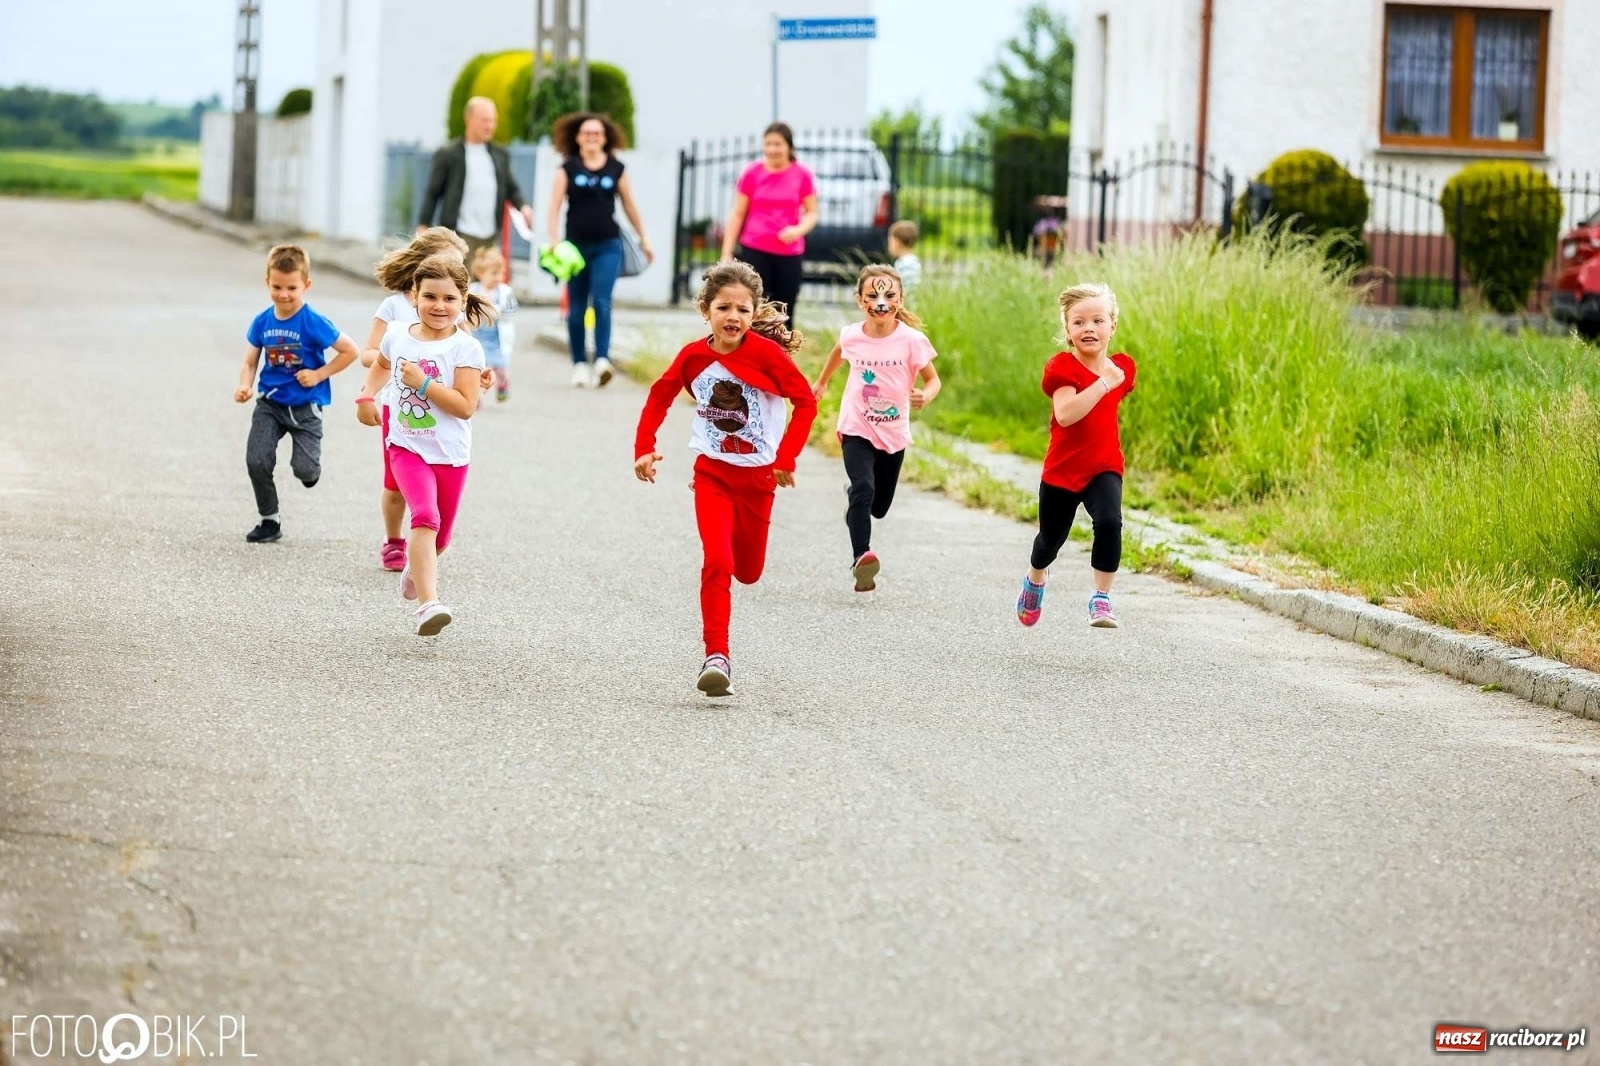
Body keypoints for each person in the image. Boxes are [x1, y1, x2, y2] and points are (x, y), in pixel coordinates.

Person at [633, 261, 817, 697]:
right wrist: (643, 446)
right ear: (705, 310)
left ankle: (722, 637)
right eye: (723, 307)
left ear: (754, 315)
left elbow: (805, 402)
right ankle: (717, 656)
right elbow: (660, 395)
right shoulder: (694, 356)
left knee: (748, 572)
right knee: (717, 562)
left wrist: (785, 457)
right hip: (712, 474)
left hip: (758, 480)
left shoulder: (766, 356)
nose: (733, 316)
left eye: (743, 309)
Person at [355, 254, 491, 636]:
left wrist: (423, 385)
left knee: (440, 538)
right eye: (430, 296)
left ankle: (417, 570)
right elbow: (381, 364)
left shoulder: (466, 349)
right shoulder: (398, 333)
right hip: (405, 447)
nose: (439, 306)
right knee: (425, 517)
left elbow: (465, 407)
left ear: (463, 300)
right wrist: (366, 396)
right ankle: (428, 605)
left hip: (450, 455)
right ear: (414, 296)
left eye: (449, 299)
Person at [810, 265, 941, 592]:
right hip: (856, 425)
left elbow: (933, 379)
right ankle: (861, 559)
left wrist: (926, 395)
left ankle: (855, 501)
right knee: (864, 488)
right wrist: (822, 382)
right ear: (859, 299)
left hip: (894, 431)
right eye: (872, 295)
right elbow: (838, 351)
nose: (881, 302)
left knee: (878, 507)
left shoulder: (912, 341)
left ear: (900, 298)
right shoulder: (852, 334)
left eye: (889, 295)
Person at [1016, 283, 1136, 631]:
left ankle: (1101, 598)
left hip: (1104, 466)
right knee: (1050, 541)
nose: (1089, 329)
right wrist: (1102, 384)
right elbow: (1067, 414)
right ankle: (1035, 577)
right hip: (1062, 471)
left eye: (1098, 320)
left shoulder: (1123, 369)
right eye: (1079, 322)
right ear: (1067, 331)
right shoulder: (1062, 368)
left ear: (1112, 326)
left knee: (1110, 522)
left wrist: (1111, 379)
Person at [361, 227, 472, 572]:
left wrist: (482, 374)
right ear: (420, 266)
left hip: (441, 412)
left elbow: (467, 356)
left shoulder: (451, 309)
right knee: (395, 487)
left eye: (457, 268)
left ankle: (424, 545)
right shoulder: (394, 307)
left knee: (435, 494)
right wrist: (389, 363)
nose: (449, 273)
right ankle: (393, 539)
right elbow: (369, 353)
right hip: (399, 408)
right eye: (440, 263)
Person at [235, 244, 359, 544]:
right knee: (257, 460)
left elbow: (350, 351)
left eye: (292, 287)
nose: (284, 294)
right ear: (267, 283)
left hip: (306, 407)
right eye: (277, 287)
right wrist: (245, 385)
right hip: (270, 403)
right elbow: (250, 360)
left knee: (304, 470)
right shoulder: (263, 320)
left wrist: (319, 374)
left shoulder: (313, 321)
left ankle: (309, 470)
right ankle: (269, 520)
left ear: (306, 284)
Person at [545, 111, 654, 389]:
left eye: (597, 133)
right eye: (587, 133)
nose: (592, 137)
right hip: (575, 249)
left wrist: (644, 239)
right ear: (578, 138)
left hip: (609, 245)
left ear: (605, 139)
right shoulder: (566, 169)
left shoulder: (617, 168)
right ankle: (580, 363)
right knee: (577, 307)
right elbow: (554, 207)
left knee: (602, 302)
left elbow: (629, 205)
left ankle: (603, 360)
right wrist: (554, 239)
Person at [719, 122, 818, 333]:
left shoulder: (802, 175)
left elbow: (812, 213)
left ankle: (781, 357)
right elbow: (737, 214)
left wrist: (797, 230)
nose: (772, 149)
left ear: (789, 147)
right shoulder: (751, 173)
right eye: (768, 144)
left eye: (778, 144)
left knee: (784, 311)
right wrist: (727, 251)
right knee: (754, 307)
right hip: (755, 250)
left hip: (789, 254)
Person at [416, 96, 534, 263]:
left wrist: (523, 207)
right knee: (461, 285)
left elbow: (511, 188)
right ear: (468, 119)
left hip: (490, 237)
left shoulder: (500, 155)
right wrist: (423, 224)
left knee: (486, 288)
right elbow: (433, 192)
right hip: (459, 236)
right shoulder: (449, 154)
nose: (490, 126)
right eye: (485, 120)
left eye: (493, 121)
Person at [468, 245, 519, 404]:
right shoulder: (473, 290)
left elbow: (511, 311)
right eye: (493, 274)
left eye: (500, 273)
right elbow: (465, 310)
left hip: (497, 338)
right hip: (478, 337)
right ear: (480, 274)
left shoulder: (504, 292)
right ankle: (475, 396)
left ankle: (503, 383)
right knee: (477, 368)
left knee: (500, 367)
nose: (498, 278)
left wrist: (494, 310)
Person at [888, 220, 922, 296]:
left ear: (896, 242)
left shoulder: (904, 263)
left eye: (890, 241)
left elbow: (907, 288)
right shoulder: (913, 261)